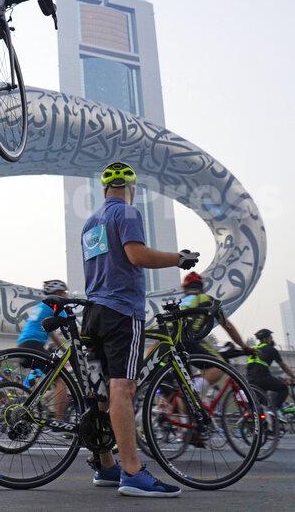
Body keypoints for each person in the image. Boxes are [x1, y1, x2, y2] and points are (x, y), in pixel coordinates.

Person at [80, 161, 199, 497]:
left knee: (100, 391)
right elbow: (136, 255)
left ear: (104, 189)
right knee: (123, 387)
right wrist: (179, 258)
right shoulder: (128, 214)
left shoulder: (90, 223)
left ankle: (105, 465)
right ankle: (132, 472)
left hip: (95, 311)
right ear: (132, 188)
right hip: (122, 310)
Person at [178, 272, 253, 372]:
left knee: (183, 379)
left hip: (173, 342)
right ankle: (196, 386)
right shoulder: (208, 300)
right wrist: (244, 346)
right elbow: (228, 327)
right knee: (220, 366)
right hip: (190, 340)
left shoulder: (179, 303)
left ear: (185, 289)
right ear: (201, 288)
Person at [17, 279, 71, 416]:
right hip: (33, 344)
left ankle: (31, 407)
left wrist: (65, 351)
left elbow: (52, 334)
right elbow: (71, 325)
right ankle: (60, 421)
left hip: (25, 344)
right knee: (62, 379)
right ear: (58, 293)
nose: (67, 295)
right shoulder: (55, 305)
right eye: (65, 293)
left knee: (50, 378)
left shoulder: (43, 306)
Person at [245, 329, 295, 413]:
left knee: (261, 406)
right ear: (265, 339)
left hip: (250, 380)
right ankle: (273, 411)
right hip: (262, 378)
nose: (272, 339)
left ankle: (263, 421)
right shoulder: (271, 349)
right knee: (283, 388)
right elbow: (283, 366)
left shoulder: (253, 349)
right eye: (270, 337)